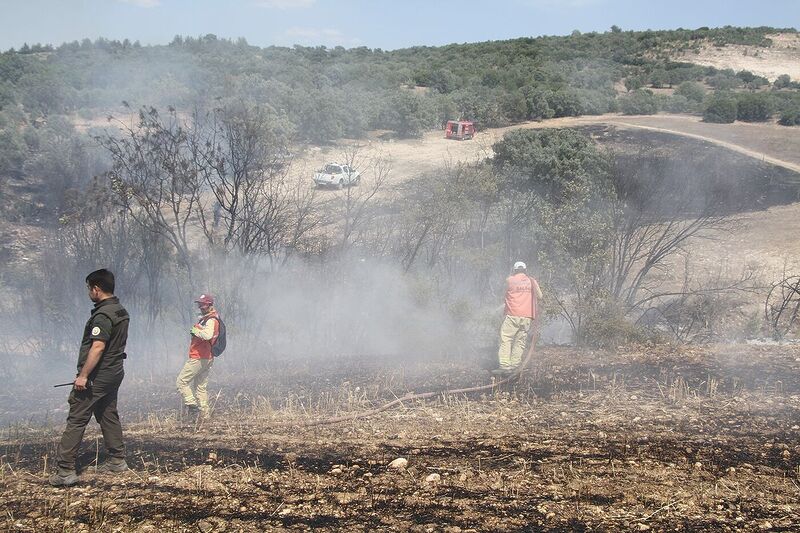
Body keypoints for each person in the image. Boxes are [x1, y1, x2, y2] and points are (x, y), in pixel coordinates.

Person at [50, 269, 130, 487]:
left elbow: (97, 347)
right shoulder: (119, 310)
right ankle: (117, 460)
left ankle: (65, 470)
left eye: (89, 288)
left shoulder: (103, 315)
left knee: (77, 417)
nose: (88, 292)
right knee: (106, 412)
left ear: (96, 288)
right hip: (114, 371)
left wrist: (83, 376)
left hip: (99, 374)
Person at [176, 294, 220, 417]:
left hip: (199, 357)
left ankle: (192, 406)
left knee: (181, 382)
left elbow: (207, 336)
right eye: (199, 304)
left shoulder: (211, 320)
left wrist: (195, 331)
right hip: (207, 357)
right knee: (200, 387)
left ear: (210, 305)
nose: (200, 307)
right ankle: (205, 415)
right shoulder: (209, 318)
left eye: (203, 305)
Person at [496, 261, 542, 374]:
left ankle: (505, 366)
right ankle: (515, 365)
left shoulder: (509, 280)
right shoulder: (532, 281)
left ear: (515, 270)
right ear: (525, 270)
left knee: (506, 339)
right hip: (527, 316)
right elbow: (540, 296)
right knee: (520, 341)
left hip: (512, 314)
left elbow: (502, 293)